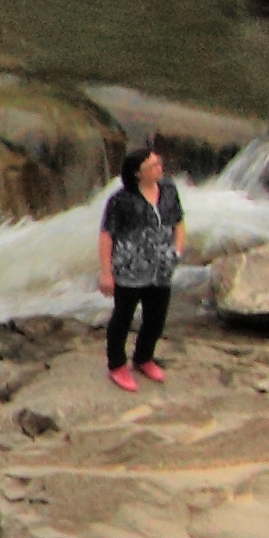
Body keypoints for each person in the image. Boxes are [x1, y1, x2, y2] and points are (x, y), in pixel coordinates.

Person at [99, 139, 187, 391]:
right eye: (153, 165)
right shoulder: (121, 200)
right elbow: (106, 235)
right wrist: (106, 273)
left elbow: (179, 221)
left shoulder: (169, 189)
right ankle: (116, 364)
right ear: (138, 173)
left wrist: (177, 251)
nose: (160, 167)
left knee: (156, 317)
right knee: (123, 317)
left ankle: (144, 357)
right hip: (129, 268)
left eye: (159, 163)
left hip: (161, 266)